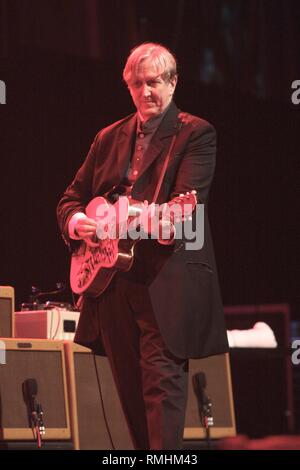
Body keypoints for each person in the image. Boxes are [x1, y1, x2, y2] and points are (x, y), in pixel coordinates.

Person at [57, 42, 229, 450]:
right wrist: (79, 222)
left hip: (165, 280)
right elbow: (69, 199)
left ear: (172, 82)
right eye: (136, 84)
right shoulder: (108, 137)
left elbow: (185, 208)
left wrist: (148, 218)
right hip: (112, 284)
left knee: (162, 392)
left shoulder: (195, 133)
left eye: (152, 82)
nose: (144, 92)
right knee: (131, 398)